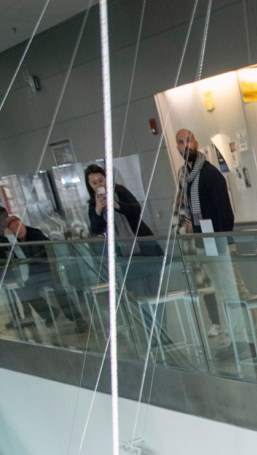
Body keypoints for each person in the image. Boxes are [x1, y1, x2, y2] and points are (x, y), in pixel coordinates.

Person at [174, 129, 243, 343]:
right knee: (223, 293)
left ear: (196, 142)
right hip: (204, 243)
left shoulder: (209, 174)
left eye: (188, 141)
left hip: (219, 244)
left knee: (234, 293)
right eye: (180, 142)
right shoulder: (186, 178)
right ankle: (236, 337)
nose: (185, 146)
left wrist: (221, 242)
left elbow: (225, 213)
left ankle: (246, 340)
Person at [1, 209, 87, 333]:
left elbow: (36, 252)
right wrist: (9, 238)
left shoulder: (35, 233)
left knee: (60, 293)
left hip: (47, 271)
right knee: (24, 293)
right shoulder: (12, 240)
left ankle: (78, 320)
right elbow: (4, 253)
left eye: (18, 225)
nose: (17, 229)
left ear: (22, 224)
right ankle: (49, 314)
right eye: (13, 228)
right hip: (30, 276)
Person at [84, 163, 162, 297]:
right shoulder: (93, 204)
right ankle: (149, 319)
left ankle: (161, 319)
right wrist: (98, 210)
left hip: (144, 248)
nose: (99, 185)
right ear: (89, 185)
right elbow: (96, 229)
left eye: (101, 180)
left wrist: (115, 204)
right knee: (140, 294)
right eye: (94, 183)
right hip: (125, 255)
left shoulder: (119, 191)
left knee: (157, 293)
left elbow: (136, 209)